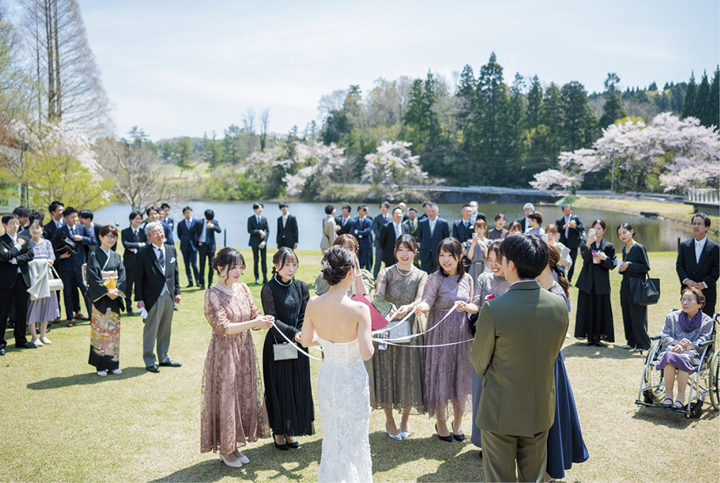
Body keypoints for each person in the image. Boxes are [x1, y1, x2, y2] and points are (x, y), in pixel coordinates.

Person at [471, 234, 568, 482]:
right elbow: (553, 352)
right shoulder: (559, 305)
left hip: (500, 409)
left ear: (511, 265)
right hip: (539, 408)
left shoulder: (494, 309)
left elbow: (480, 361)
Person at [300, 245, 374, 483]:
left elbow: (306, 340)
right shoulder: (360, 308)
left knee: (333, 438)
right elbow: (366, 353)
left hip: (329, 377)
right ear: (351, 272)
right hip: (352, 379)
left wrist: (326, 341)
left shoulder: (313, 303)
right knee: (354, 437)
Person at [201, 248, 274, 467]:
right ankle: (226, 449)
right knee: (227, 399)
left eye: (240, 267)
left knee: (243, 396)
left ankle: (234, 446)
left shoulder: (243, 288)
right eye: (233, 267)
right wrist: (254, 323)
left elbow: (254, 313)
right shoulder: (212, 294)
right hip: (224, 354)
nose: (238, 271)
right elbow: (223, 327)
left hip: (244, 351)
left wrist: (263, 319)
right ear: (220, 268)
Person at [415, 238, 478, 443]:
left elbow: (472, 305)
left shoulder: (467, 278)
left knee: (460, 375)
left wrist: (466, 307)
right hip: (439, 335)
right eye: (441, 255)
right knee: (441, 375)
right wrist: (422, 308)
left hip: (461, 336)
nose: (445, 259)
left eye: (450, 255)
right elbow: (427, 300)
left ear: (460, 256)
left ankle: (458, 422)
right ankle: (441, 421)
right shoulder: (434, 278)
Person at [536, 245, 590, 480]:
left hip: (548, 363)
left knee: (552, 417)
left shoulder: (556, 294)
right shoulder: (535, 288)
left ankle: (549, 470)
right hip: (535, 361)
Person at [370, 235, 428, 440]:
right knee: (387, 373)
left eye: (409, 250)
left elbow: (422, 298)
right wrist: (390, 309)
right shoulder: (385, 272)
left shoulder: (421, 274)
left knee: (409, 373)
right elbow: (377, 297)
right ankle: (390, 420)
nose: (405, 254)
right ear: (395, 251)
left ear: (415, 252)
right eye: (401, 249)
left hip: (411, 327)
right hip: (387, 327)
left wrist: (409, 308)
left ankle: (404, 418)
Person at [261, 248, 314, 450]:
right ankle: (279, 432)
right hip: (277, 344)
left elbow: (305, 314)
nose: (291, 269)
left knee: (296, 387)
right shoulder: (268, 289)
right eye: (286, 265)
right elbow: (272, 319)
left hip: (299, 343)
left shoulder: (302, 286)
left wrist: (301, 332)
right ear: (276, 266)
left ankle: (292, 431)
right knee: (280, 389)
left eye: (294, 264)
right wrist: (294, 333)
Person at [469, 241, 511, 452]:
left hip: (508, 345)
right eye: (490, 260)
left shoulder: (514, 281)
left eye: (498, 260)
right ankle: (482, 442)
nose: (494, 265)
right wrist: (467, 307)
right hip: (484, 341)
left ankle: (503, 441)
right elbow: (476, 303)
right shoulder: (483, 278)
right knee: (481, 392)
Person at [654, 287, 714, 409]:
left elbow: (704, 340)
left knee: (682, 357)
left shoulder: (707, 321)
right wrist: (677, 343)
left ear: (700, 304)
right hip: (671, 350)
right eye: (683, 299)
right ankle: (669, 394)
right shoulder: (672, 317)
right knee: (670, 356)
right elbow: (664, 335)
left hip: (693, 354)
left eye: (689, 300)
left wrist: (688, 346)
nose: (684, 302)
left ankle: (681, 396)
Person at [135, 221, 182, 372]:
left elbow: (175, 272)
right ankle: (149, 360)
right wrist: (140, 299)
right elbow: (138, 278)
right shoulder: (142, 254)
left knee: (165, 328)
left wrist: (177, 292)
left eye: (161, 231)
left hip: (168, 294)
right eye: (155, 232)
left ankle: (164, 357)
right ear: (148, 237)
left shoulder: (171, 249)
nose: (160, 234)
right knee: (151, 328)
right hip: (151, 295)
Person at [86, 225, 126, 377]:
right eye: (108, 236)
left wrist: (117, 290)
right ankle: (100, 365)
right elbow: (93, 277)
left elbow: (122, 275)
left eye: (114, 237)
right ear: (100, 237)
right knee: (101, 331)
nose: (111, 239)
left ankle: (113, 364)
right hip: (101, 297)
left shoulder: (116, 256)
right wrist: (106, 291)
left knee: (113, 332)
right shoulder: (94, 255)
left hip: (114, 296)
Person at [574, 219, 616, 346]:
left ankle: (598, 337)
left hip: (601, 282)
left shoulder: (608, 246)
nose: (597, 231)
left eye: (599, 228)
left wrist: (605, 258)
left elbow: (612, 264)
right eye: (594, 228)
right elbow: (586, 259)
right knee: (587, 308)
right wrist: (587, 245)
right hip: (587, 281)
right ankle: (589, 337)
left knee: (600, 308)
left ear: (604, 230)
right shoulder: (585, 243)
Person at [53, 206, 95, 326]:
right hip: (65, 267)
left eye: (76, 216)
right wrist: (60, 256)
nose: (75, 219)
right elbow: (53, 246)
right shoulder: (60, 231)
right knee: (67, 293)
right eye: (72, 217)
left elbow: (93, 240)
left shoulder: (82, 228)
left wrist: (81, 238)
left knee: (86, 291)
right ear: (65, 218)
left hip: (80, 267)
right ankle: (70, 318)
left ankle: (92, 317)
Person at [0, 213, 35, 354]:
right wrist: (19, 247)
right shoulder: (1, 241)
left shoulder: (25, 238)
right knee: (3, 313)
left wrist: (14, 259)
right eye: (12, 223)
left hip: (23, 279)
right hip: (6, 282)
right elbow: (4, 256)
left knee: (21, 311)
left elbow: (30, 255)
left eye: (16, 223)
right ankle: (1, 344)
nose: (15, 226)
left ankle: (21, 340)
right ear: (4, 225)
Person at [676, 212, 719, 316]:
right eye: (694, 223)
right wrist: (686, 280)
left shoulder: (715, 248)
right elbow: (679, 265)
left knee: (706, 322)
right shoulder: (684, 246)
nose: (696, 226)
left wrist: (704, 284)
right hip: (688, 290)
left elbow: (717, 269)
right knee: (688, 321)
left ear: (707, 227)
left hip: (707, 290)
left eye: (699, 224)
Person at [617, 223, 651, 352]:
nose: (622, 236)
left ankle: (642, 343)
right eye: (620, 234)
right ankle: (630, 341)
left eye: (624, 232)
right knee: (627, 313)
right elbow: (624, 267)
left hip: (637, 286)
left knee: (638, 315)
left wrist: (630, 265)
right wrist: (622, 268)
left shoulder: (639, 248)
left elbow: (645, 267)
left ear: (631, 232)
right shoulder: (624, 249)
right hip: (625, 285)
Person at [26, 217, 59, 346]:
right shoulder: (27, 244)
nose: (35, 230)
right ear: (29, 230)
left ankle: (43, 335)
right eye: (32, 228)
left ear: (42, 229)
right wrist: (43, 262)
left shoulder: (47, 243)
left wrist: (44, 262)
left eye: (37, 228)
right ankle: (34, 337)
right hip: (33, 279)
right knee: (33, 306)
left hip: (46, 278)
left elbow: (52, 259)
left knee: (46, 306)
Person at [121, 211, 145, 316]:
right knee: (128, 287)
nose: (138, 221)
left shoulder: (144, 232)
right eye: (136, 218)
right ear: (131, 219)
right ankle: (128, 308)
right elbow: (126, 244)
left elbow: (147, 243)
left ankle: (142, 308)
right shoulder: (125, 231)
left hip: (141, 263)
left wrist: (134, 248)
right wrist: (140, 245)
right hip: (129, 264)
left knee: (141, 286)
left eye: (140, 219)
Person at [417, 202, 450, 274]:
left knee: (439, 275)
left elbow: (446, 239)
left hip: (438, 254)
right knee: (425, 275)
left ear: (437, 212)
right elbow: (419, 237)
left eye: (433, 211)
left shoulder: (443, 223)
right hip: (425, 254)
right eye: (429, 211)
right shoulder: (421, 223)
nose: (431, 213)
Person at [556, 204, 584, 283]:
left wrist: (575, 227)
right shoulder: (559, 220)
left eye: (569, 211)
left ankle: (569, 279)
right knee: (561, 261)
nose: (568, 212)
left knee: (572, 261)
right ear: (563, 211)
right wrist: (564, 226)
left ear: (571, 210)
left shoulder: (576, 218)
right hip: (563, 244)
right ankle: (561, 277)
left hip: (573, 244)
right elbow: (557, 229)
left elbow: (581, 227)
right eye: (566, 211)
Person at [197, 209, 221, 290]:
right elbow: (194, 233)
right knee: (202, 265)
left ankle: (210, 284)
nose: (209, 220)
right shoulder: (199, 222)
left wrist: (213, 226)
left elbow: (219, 230)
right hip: (202, 245)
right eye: (208, 219)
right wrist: (197, 241)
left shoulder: (214, 222)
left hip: (211, 247)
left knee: (211, 266)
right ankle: (202, 284)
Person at [177, 206, 201, 288]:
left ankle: (198, 281)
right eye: (186, 212)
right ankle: (190, 282)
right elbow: (179, 235)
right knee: (187, 265)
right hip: (184, 246)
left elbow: (198, 233)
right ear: (183, 214)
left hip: (193, 246)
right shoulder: (180, 224)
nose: (188, 214)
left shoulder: (196, 222)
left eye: (189, 212)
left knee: (194, 265)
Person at [464, 219, 490, 292]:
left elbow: (488, 257)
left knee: (484, 287)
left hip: (484, 267)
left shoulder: (488, 242)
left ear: (485, 229)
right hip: (473, 266)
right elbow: (469, 257)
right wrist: (472, 245)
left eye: (481, 228)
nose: (479, 231)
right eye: (477, 228)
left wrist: (485, 247)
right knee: (472, 287)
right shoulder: (470, 242)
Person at [248, 203, 270, 284]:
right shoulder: (250, 219)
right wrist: (259, 231)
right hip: (254, 243)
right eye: (259, 208)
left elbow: (267, 231)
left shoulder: (264, 219)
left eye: (261, 208)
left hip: (263, 243)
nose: (260, 210)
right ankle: (256, 278)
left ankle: (265, 278)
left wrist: (264, 241)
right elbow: (249, 230)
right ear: (255, 209)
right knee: (256, 260)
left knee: (264, 260)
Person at [372, 201, 392, 278]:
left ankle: (388, 278)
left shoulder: (391, 218)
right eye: (381, 207)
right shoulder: (377, 218)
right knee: (377, 263)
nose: (382, 208)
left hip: (389, 244)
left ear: (388, 208)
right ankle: (375, 279)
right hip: (379, 243)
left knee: (389, 262)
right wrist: (383, 238)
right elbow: (375, 229)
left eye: (384, 207)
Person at [351, 204, 373, 271]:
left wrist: (357, 231)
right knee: (358, 260)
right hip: (357, 244)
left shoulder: (369, 221)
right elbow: (352, 232)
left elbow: (367, 232)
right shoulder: (354, 221)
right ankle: (359, 275)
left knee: (367, 261)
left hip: (366, 244)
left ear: (365, 212)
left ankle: (368, 275)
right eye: (359, 211)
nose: (361, 213)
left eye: (362, 211)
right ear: (357, 212)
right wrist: (362, 231)